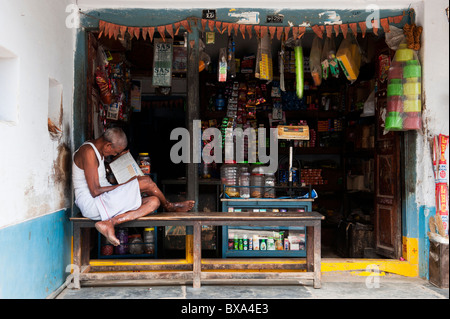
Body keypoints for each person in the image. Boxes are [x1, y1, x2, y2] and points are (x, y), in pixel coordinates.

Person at [72, 127, 195, 246]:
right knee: (146, 181)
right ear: (108, 146)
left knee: (154, 201)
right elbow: (95, 190)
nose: (113, 154)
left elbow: (99, 175)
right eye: (115, 152)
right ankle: (169, 206)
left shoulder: (98, 151)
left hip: (103, 200)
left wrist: (119, 160)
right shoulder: (88, 151)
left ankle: (111, 222)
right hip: (93, 204)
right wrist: (128, 183)